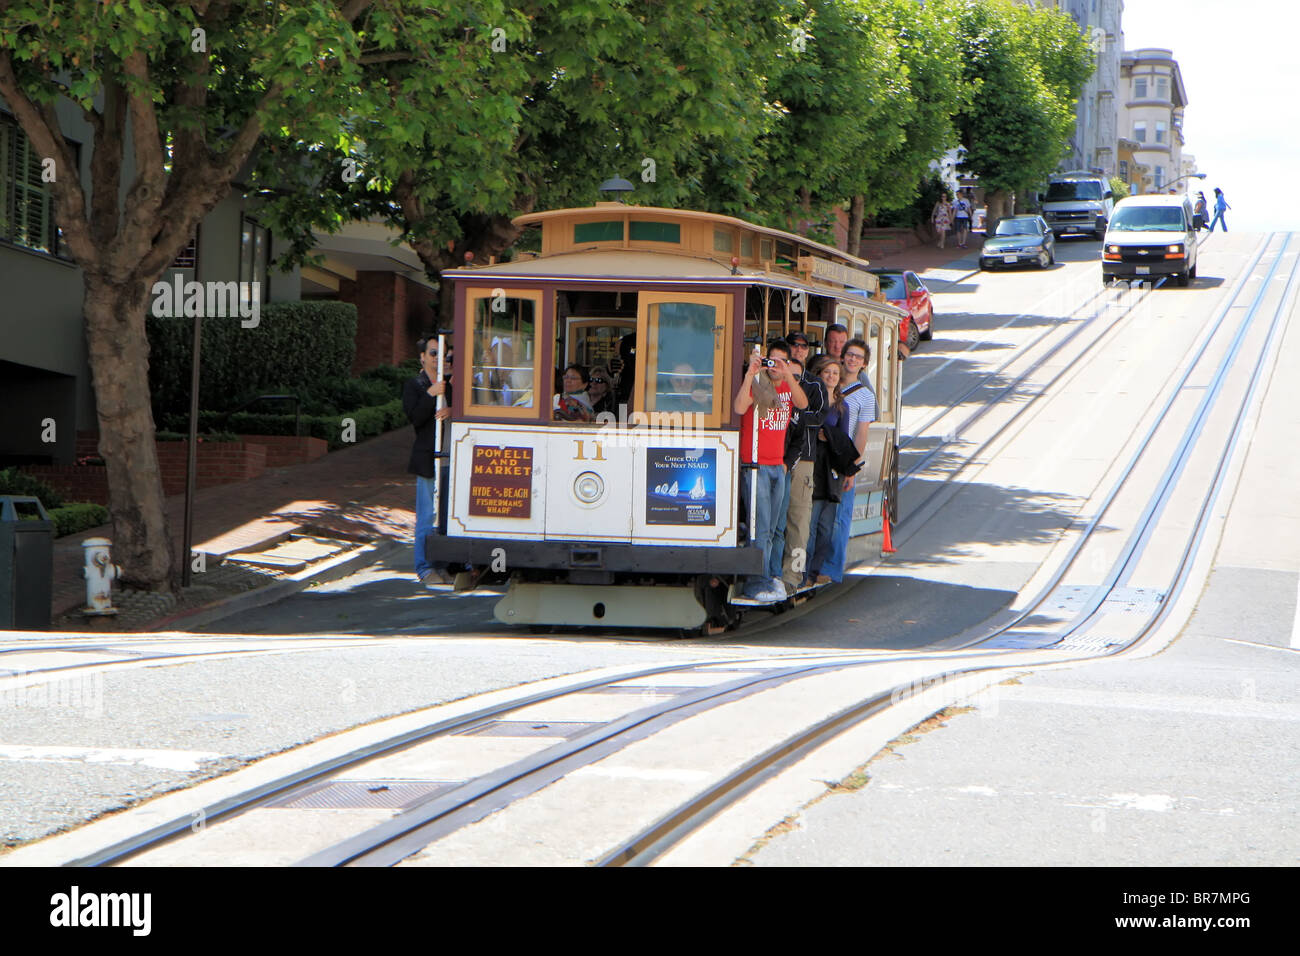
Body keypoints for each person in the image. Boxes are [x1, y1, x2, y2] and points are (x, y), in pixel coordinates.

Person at [735, 339, 808, 603]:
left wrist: (788, 373)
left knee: (775, 528)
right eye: (771, 361)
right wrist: (750, 374)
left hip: (778, 466)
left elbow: (802, 403)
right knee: (760, 529)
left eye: (780, 362)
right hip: (756, 466)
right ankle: (756, 583)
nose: (774, 367)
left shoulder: (788, 386)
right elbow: (740, 407)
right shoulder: (757, 385)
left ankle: (770, 577)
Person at [770, 347, 826, 595]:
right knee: (772, 521)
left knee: (799, 521)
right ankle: (769, 574)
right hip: (772, 458)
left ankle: (792, 577)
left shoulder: (813, 385)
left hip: (802, 459)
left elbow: (814, 417)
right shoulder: (767, 383)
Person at [825, 339, 878, 582]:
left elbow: (862, 433)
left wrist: (851, 469)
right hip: (821, 456)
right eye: (849, 354)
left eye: (858, 357)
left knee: (839, 516)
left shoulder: (865, 396)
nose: (852, 359)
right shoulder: (828, 383)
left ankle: (832, 569)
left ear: (864, 363)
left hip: (842, 460)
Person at [403, 335, 453, 587]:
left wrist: (451, 409)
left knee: (445, 516)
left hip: (447, 459)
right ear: (422, 357)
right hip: (426, 459)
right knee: (426, 515)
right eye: (433, 353)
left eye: (442, 354)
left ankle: (442, 565)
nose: (438, 358)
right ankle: (423, 568)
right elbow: (415, 418)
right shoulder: (415, 384)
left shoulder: (450, 385)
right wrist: (432, 393)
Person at [803, 355, 845, 586]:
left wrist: (829, 436)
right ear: (819, 375)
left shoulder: (841, 405)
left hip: (831, 469)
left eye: (835, 373)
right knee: (808, 524)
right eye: (827, 372)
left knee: (826, 526)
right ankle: (804, 572)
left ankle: (815, 569)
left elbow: (844, 439)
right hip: (811, 463)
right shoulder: (811, 399)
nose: (830, 376)